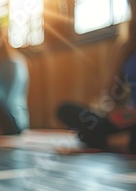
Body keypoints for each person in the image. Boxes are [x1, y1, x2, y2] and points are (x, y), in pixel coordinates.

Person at [57, 0, 136, 153]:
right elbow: (108, 93)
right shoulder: (125, 46)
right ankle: (118, 139)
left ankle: (104, 139)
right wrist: (113, 111)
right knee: (66, 110)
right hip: (128, 119)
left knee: (92, 132)